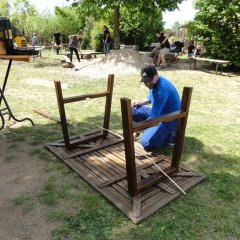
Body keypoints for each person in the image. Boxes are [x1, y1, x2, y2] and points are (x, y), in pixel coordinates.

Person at [132, 65, 181, 149]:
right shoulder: (154, 84)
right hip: (159, 113)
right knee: (133, 109)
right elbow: (150, 98)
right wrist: (141, 103)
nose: (147, 84)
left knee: (145, 143)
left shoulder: (162, 89)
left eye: (149, 81)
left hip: (170, 118)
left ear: (156, 75)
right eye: (145, 81)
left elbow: (153, 116)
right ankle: (151, 131)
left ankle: (171, 135)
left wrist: (135, 129)